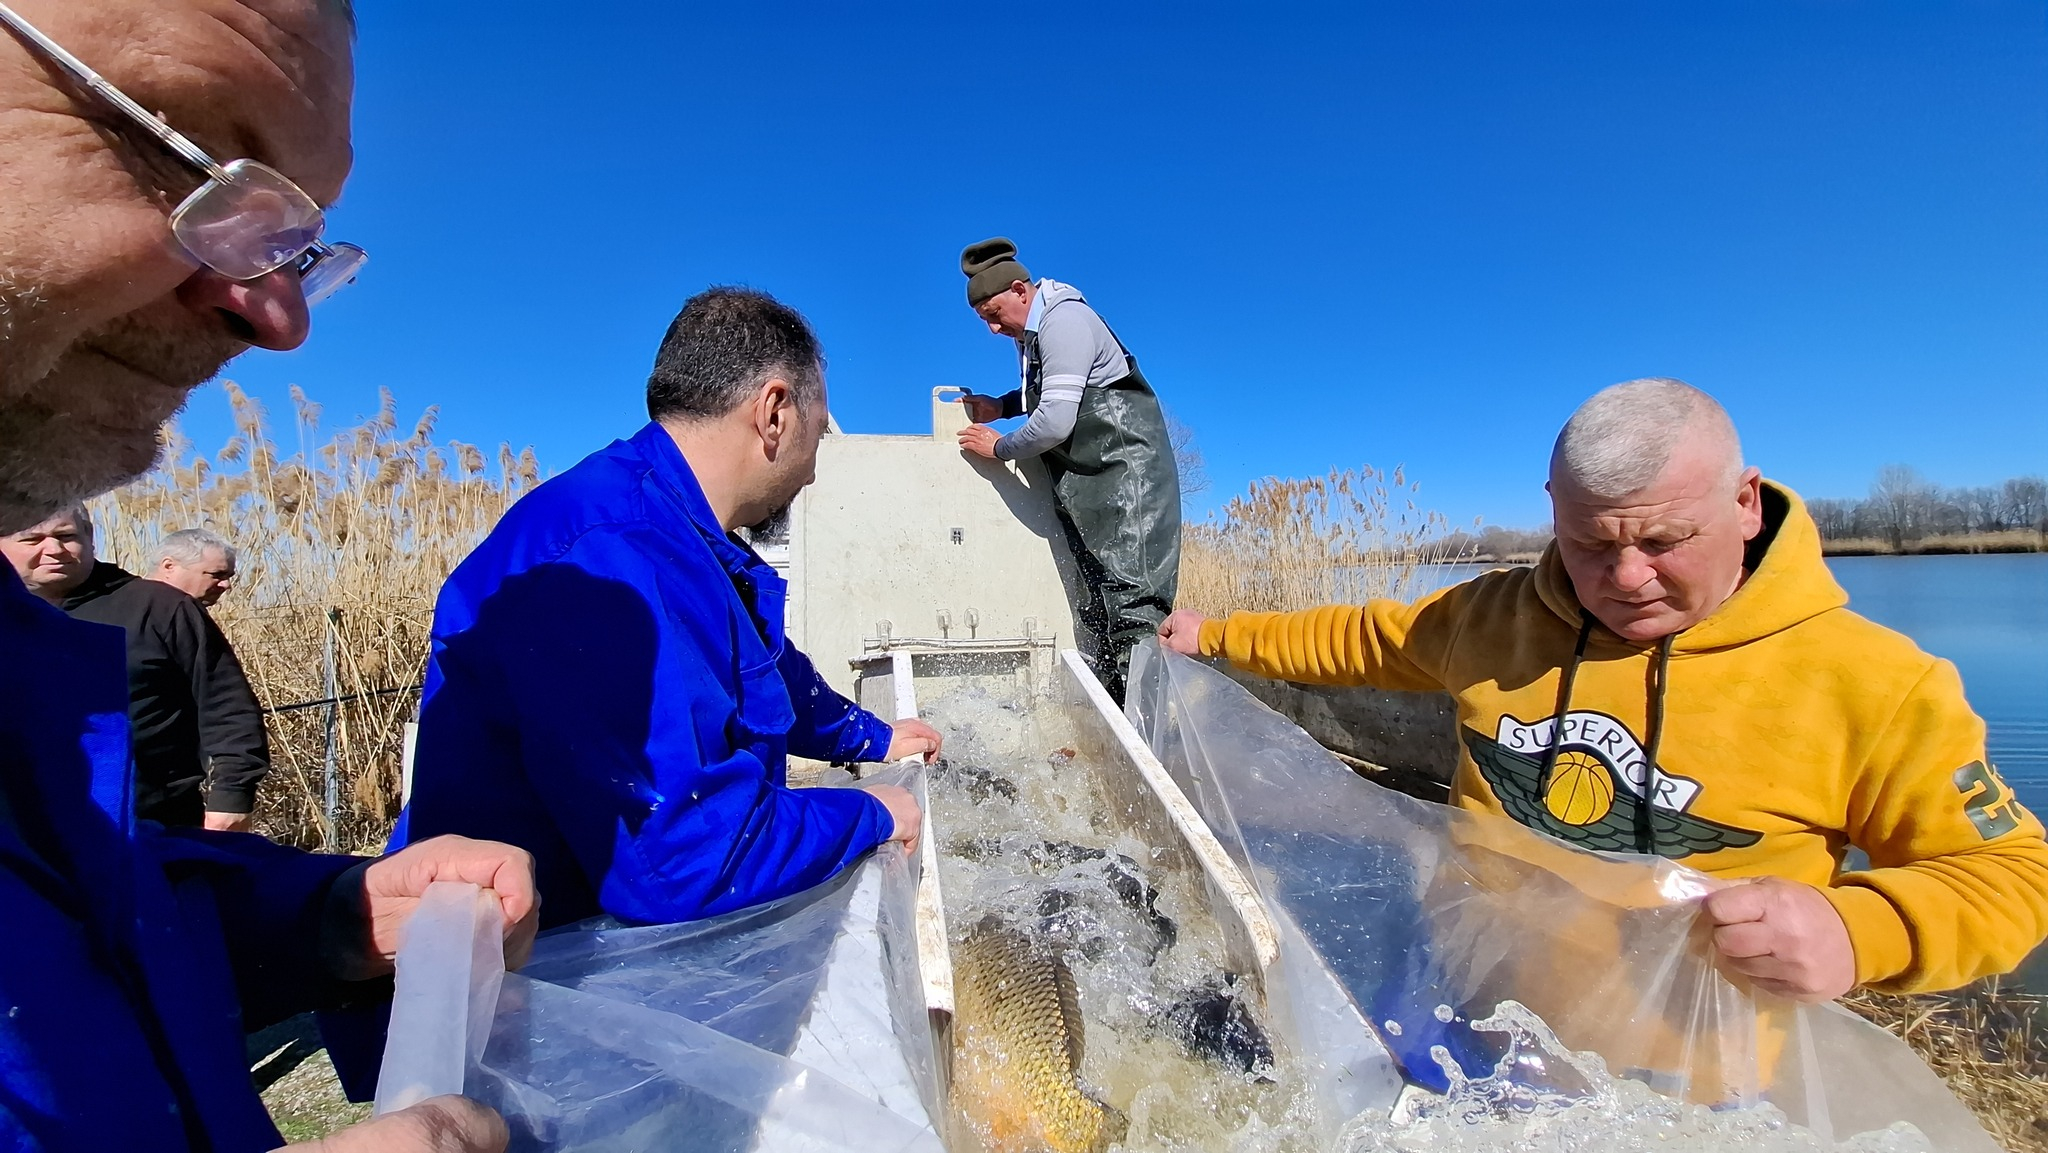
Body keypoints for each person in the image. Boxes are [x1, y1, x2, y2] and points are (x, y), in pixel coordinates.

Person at [0, 1, 538, 1149]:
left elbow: (65, 912)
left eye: (294, 239)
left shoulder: (39, 645)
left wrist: (321, 917)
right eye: (180, 148)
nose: (275, 312)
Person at [1161, 378, 2048, 1001]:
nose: (1625, 576)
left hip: (1688, 1071)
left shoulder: (1877, 683)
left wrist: (1863, 931)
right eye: (1590, 542)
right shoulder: (1497, 615)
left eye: (1664, 540)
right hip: (1459, 984)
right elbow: (1367, 637)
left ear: (1745, 502)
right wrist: (1215, 635)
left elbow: (2017, 874)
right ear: (1552, 505)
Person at [397, 287, 938, 930]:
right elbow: (681, 856)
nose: (812, 474)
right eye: (817, 437)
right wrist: (875, 812)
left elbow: (766, 671)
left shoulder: (686, 540)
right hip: (512, 985)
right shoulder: (603, 557)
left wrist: (874, 737)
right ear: (775, 413)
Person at [955, 238, 1181, 703]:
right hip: (1094, 486)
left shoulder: (1065, 320)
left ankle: (1153, 744)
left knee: (1134, 609)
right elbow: (1056, 390)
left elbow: (1056, 421)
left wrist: (1001, 448)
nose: (994, 329)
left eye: (996, 314)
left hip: (1128, 481)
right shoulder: (1035, 335)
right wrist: (1001, 404)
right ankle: (1115, 728)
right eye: (985, 321)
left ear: (1021, 290)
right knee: (1097, 607)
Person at [2, 508, 271, 831]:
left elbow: (227, 706)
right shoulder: (9, 619)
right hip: (21, 831)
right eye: (32, 539)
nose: (54, 549)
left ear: (89, 536)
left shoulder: (160, 607)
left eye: (66, 536)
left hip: (151, 825)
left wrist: (231, 798)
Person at [150, 526, 242, 607]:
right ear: (169, 567)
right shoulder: (150, 614)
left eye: (228, 577)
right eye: (217, 575)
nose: (226, 585)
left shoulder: (184, 612)